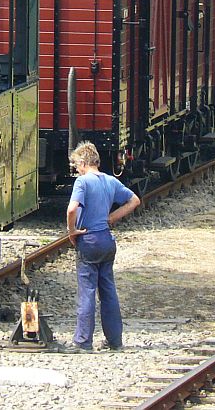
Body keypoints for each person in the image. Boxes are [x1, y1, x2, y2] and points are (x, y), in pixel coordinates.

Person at [65, 141, 141, 352]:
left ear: (83, 162)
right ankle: (114, 340)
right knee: (108, 291)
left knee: (87, 291)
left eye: (76, 166)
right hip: (107, 241)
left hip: (88, 240)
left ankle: (83, 342)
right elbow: (134, 200)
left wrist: (71, 232)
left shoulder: (83, 183)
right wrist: (112, 218)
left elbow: (72, 210)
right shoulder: (110, 181)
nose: (76, 170)